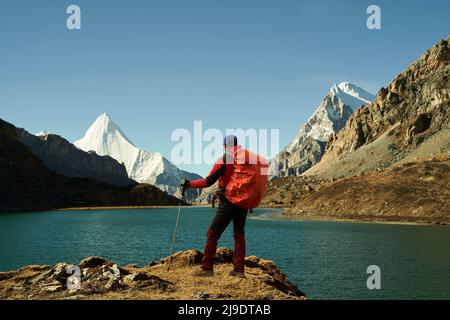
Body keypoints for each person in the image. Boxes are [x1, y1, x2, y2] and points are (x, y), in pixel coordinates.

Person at [180, 135, 249, 278]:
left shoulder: (224, 160)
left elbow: (208, 181)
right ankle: (239, 270)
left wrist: (190, 184)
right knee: (239, 234)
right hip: (243, 201)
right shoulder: (246, 159)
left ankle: (206, 268)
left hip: (228, 201)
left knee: (213, 234)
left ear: (224, 146)